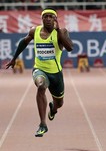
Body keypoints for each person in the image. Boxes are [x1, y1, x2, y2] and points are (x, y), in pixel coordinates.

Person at [6, 8, 74, 137]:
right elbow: (23, 42)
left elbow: (70, 48)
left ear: (55, 19)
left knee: (59, 103)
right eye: (45, 16)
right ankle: (42, 124)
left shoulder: (62, 31)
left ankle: (53, 109)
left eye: (51, 16)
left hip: (56, 74)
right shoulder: (34, 31)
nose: (48, 19)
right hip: (39, 69)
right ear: (42, 19)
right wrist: (14, 59)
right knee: (41, 86)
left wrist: (58, 31)